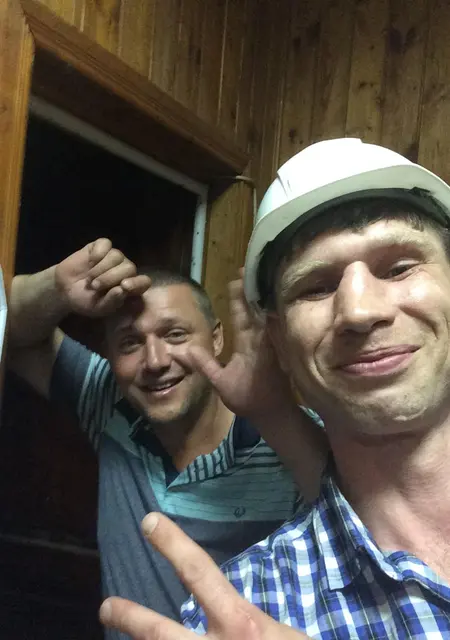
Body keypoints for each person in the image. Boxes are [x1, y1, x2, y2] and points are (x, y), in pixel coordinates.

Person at [101, 137, 450, 639]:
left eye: (398, 268)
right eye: (316, 286)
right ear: (279, 341)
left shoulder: (283, 448)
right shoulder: (244, 610)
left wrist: (272, 413)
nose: (359, 309)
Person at [7, 240, 325, 637]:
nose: (155, 361)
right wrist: (56, 287)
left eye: (175, 334)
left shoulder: (289, 440)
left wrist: (275, 413)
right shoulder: (108, 404)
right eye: (130, 343)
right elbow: (11, 332)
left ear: (216, 339)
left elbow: (360, 529)